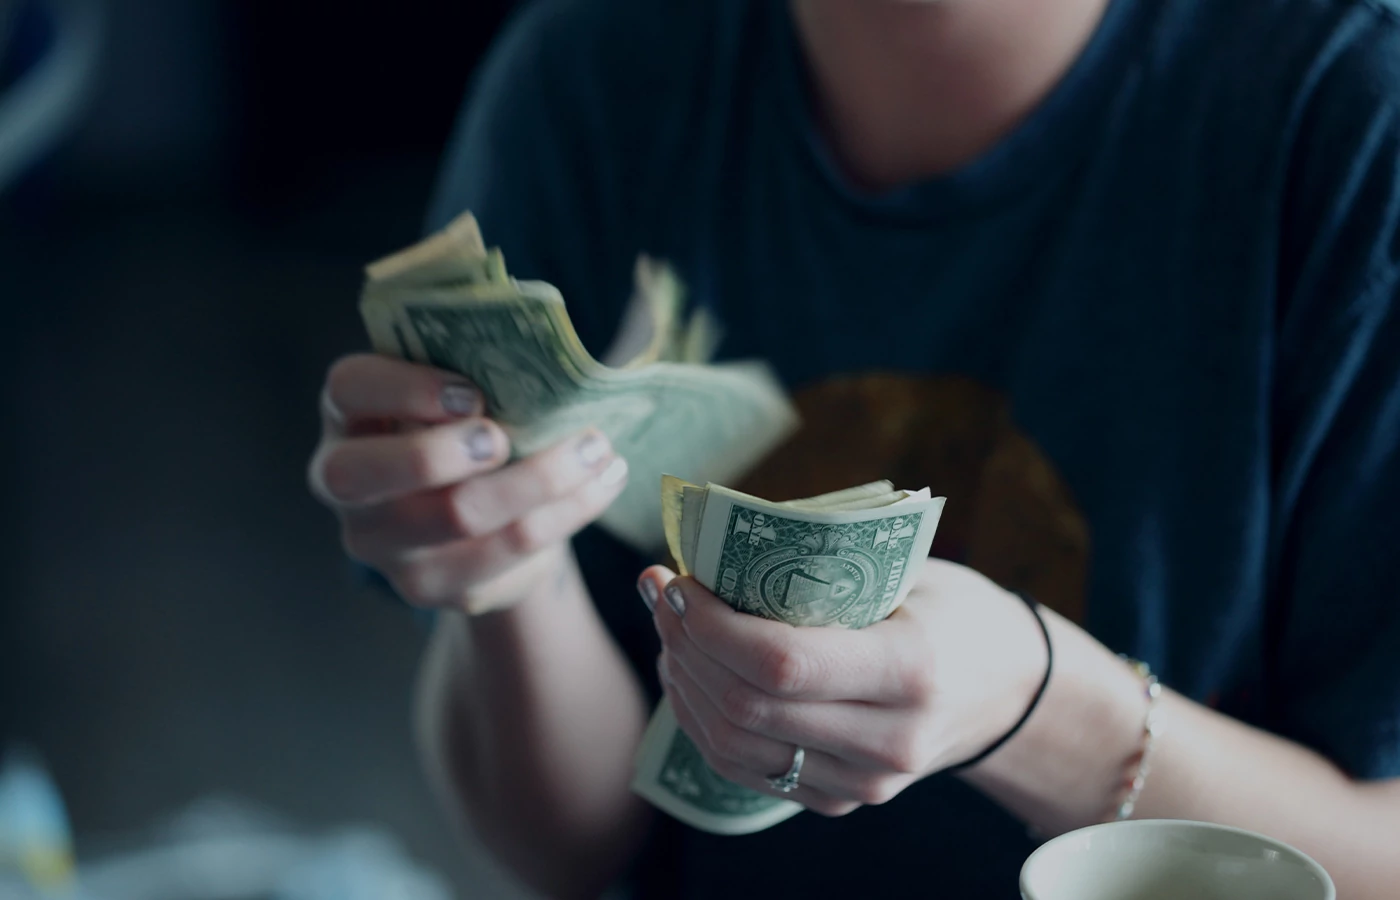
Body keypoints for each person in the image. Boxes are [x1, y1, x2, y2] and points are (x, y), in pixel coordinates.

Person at [307, 0, 1400, 896]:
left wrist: (1039, 707)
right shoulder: (591, 72)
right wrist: (507, 576)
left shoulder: (1349, 124)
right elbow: (571, 849)